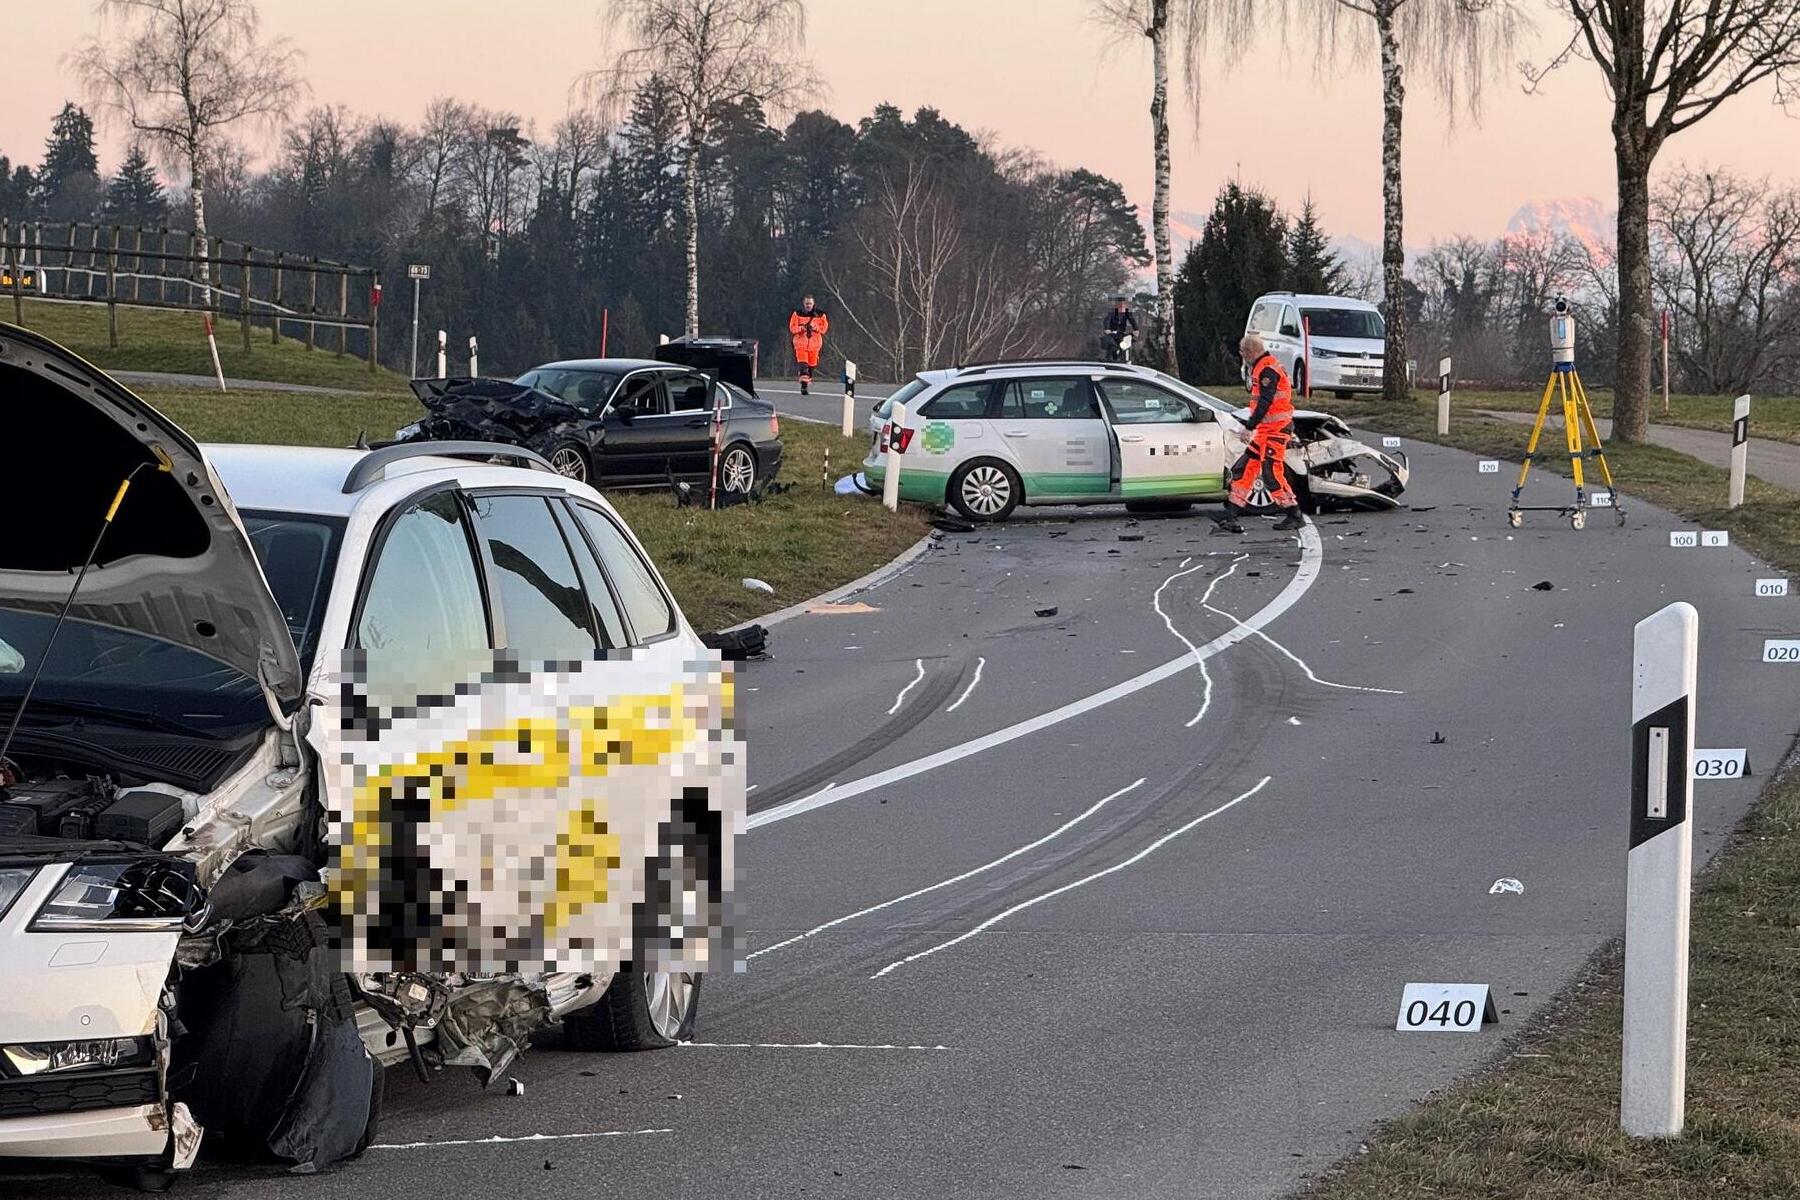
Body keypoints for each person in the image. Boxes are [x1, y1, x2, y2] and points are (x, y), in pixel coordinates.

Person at [1217, 333, 1307, 534]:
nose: (1242, 357)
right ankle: (1231, 515)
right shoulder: (1265, 366)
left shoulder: (1266, 369)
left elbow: (1265, 403)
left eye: (1242, 353)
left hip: (1275, 431)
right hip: (1268, 431)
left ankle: (1294, 513)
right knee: (1245, 468)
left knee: (1271, 473)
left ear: (1249, 352)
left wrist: (1250, 426)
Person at [788, 295, 830, 395]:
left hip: (814, 345)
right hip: (801, 344)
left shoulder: (820, 315)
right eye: (807, 303)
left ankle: (806, 379)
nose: (808, 305)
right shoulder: (797, 314)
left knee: (811, 366)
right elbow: (792, 328)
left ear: (813, 304)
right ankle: (804, 387)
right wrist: (801, 328)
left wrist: (815, 328)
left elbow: (824, 329)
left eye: (810, 303)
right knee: (804, 365)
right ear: (804, 303)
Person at [1102, 296, 1139, 362]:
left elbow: (1131, 320)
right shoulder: (1112, 312)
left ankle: (1125, 359)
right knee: (1112, 344)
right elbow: (1107, 320)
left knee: (1126, 344)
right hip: (1112, 332)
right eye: (1120, 305)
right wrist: (1107, 328)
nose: (1122, 307)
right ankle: (1108, 358)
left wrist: (1136, 329)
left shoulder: (1127, 312)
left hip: (1121, 332)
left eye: (1123, 305)